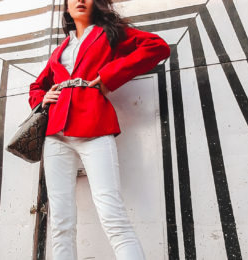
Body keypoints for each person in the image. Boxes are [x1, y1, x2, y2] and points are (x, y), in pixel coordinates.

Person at [28, 0, 170, 259]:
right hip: (55, 136)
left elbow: (157, 46)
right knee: (61, 223)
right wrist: (42, 98)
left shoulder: (109, 34)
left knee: (112, 216)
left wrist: (109, 77)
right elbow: (36, 87)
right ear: (67, 7)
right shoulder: (61, 49)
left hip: (95, 127)